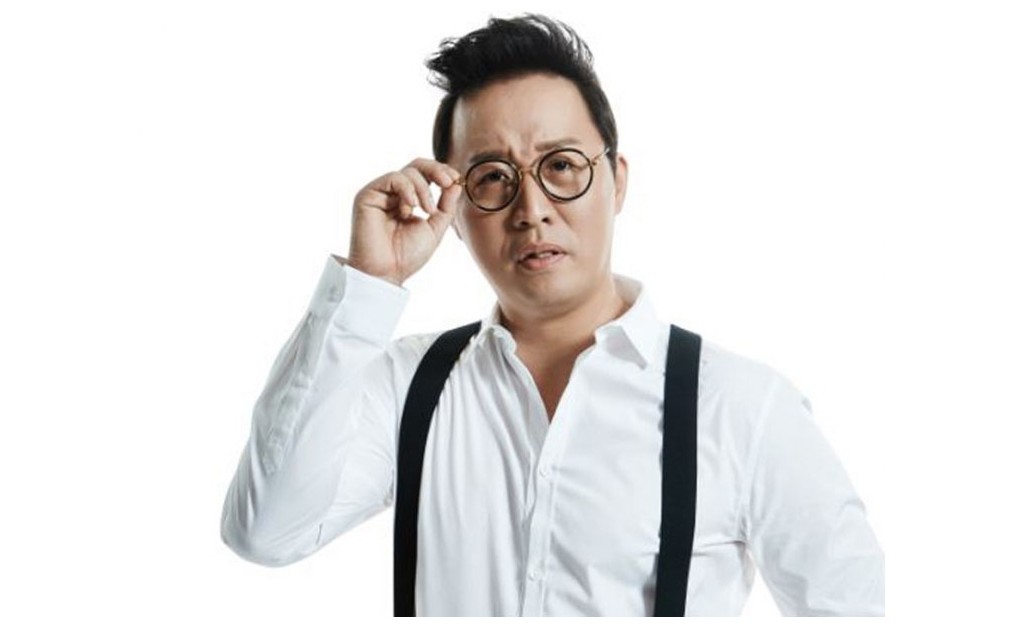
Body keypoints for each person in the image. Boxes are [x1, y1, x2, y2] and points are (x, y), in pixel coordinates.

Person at [220, 13, 884, 617]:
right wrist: (368, 284)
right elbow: (265, 532)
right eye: (492, 177)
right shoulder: (408, 386)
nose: (531, 209)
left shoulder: (742, 405)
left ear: (617, 180)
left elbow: (848, 607)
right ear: (453, 211)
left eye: (561, 166)